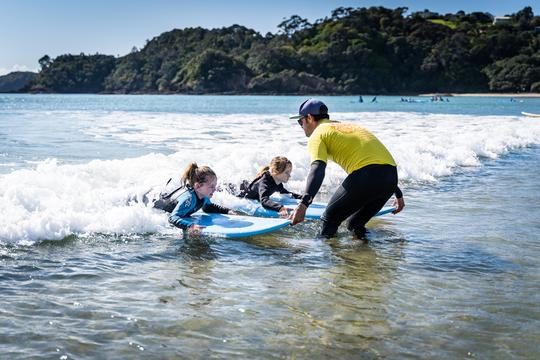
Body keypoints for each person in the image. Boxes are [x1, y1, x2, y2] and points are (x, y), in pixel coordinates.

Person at [288, 98, 405, 238]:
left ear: (309, 118)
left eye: (300, 122)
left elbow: (317, 168)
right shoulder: (349, 127)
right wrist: (397, 193)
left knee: (329, 220)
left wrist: (303, 204)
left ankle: (321, 259)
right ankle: (363, 257)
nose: (301, 126)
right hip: (391, 177)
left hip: (368, 176)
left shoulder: (318, 133)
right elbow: (379, 163)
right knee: (355, 224)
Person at [169, 162, 237, 234]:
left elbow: (208, 207)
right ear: (198, 186)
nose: (214, 189)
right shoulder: (188, 199)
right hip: (161, 212)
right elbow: (172, 217)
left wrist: (227, 211)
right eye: (211, 186)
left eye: (215, 186)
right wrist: (190, 226)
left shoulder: (204, 196)